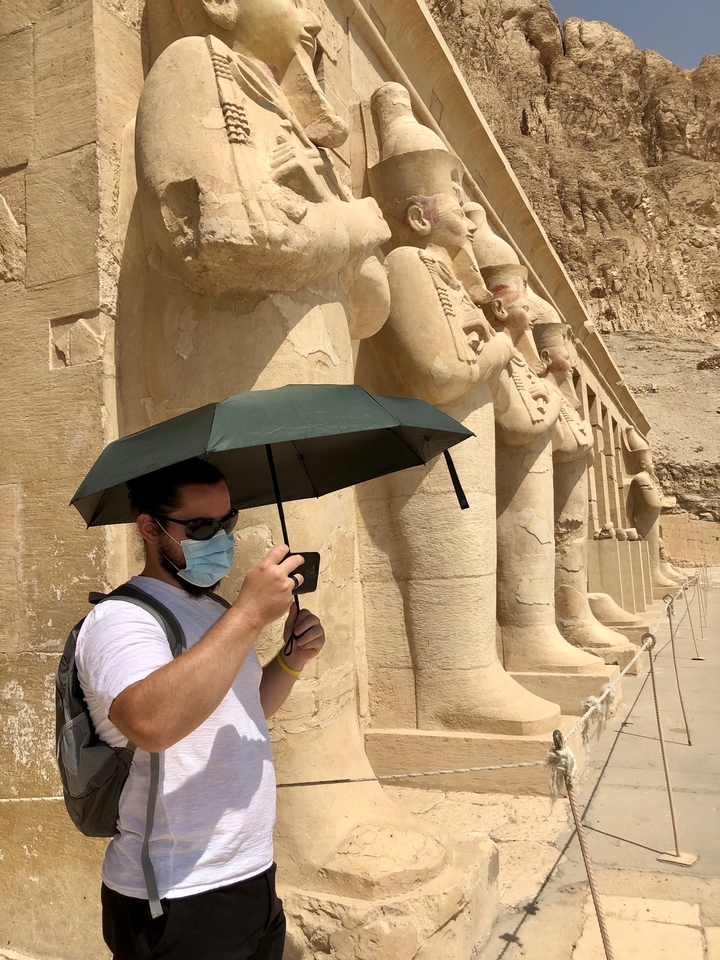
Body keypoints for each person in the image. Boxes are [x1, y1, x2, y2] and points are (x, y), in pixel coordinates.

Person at [75, 457, 325, 960]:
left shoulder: (213, 611)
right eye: (202, 525)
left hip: (250, 870)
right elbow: (152, 725)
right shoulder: (121, 620)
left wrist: (292, 660)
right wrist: (251, 612)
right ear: (150, 528)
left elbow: (244, 709)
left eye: (227, 521)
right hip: (175, 893)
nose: (222, 537)